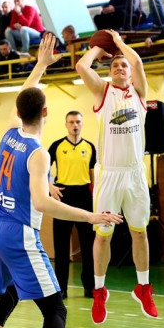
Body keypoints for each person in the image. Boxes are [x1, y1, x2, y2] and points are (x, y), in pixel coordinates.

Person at [0, 33, 122, 328]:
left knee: (9, 296)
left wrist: (41, 65)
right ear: (46, 113)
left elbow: (24, 95)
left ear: (19, 112)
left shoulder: (9, 133)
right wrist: (90, 216)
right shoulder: (38, 153)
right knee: (56, 309)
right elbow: (42, 203)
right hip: (18, 234)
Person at [75, 29, 158, 324]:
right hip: (109, 175)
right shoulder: (103, 92)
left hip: (135, 174)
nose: (120, 68)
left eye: (123, 65)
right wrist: (101, 48)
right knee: (103, 236)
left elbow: (138, 63)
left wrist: (120, 44)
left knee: (140, 232)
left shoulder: (139, 93)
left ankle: (143, 287)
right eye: (115, 65)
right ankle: (99, 291)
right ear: (109, 72)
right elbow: (81, 66)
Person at [48, 111, 97, 300]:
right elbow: (41, 168)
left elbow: (94, 175)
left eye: (78, 122)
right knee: (61, 247)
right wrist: (49, 186)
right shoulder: (57, 146)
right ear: (66, 124)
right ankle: (61, 288)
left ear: (82, 124)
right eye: (71, 122)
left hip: (84, 196)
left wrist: (96, 197)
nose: (75, 125)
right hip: (63, 196)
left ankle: (90, 287)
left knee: (88, 246)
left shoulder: (90, 147)